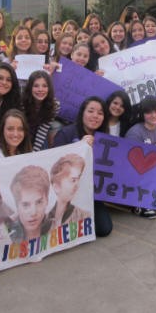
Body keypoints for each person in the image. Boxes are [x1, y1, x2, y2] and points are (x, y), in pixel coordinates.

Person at [53, 97, 113, 237]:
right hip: (68, 193)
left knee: (104, 229)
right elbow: (55, 164)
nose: (95, 116)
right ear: (82, 113)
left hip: (92, 193)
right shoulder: (66, 133)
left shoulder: (105, 138)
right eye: (90, 111)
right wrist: (80, 146)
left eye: (100, 113)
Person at [8, 165, 51, 243]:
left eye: (39, 202)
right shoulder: (7, 235)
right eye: (25, 205)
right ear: (16, 205)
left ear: (47, 200)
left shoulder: (58, 225)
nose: (33, 212)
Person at [47, 154, 91, 228]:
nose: (77, 185)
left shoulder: (84, 216)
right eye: (73, 180)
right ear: (56, 187)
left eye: (78, 179)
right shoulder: (43, 220)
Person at [22, 71, 59, 151]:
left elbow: (42, 132)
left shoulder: (55, 105)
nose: (40, 90)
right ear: (30, 87)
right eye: (36, 86)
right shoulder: (22, 103)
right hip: (22, 133)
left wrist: (34, 154)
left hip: (38, 135)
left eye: (44, 86)